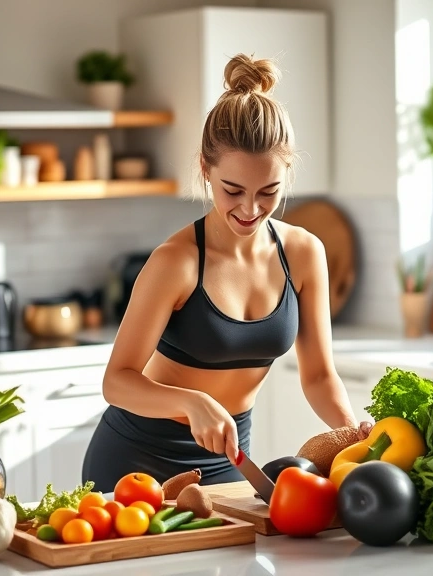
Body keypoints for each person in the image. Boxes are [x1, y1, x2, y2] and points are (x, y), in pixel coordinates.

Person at [81, 53, 371, 490]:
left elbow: (317, 376)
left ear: (286, 175)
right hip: (135, 463)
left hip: (228, 464)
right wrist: (193, 402)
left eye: (268, 191)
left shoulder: (305, 254)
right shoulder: (175, 261)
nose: (250, 209)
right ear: (205, 169)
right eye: (232, 190)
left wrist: (351, 435)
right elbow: (117, 382)